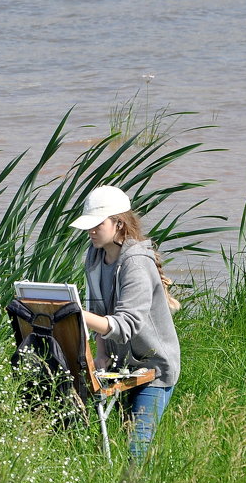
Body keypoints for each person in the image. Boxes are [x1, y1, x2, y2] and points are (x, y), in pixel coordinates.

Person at [71, 185, 180, 460]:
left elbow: (125, 325)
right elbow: (99, 308)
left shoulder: (136, 263)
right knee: (112, 445)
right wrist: (100, 354)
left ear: (118, 223)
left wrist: (77, 314)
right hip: (121, 366)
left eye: (97, 224)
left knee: (134, 453)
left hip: (153, 368)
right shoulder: (95, 255)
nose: (91, 231)